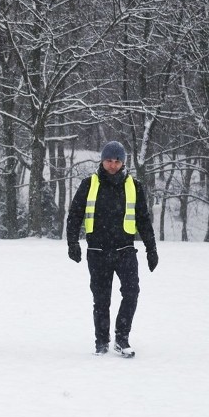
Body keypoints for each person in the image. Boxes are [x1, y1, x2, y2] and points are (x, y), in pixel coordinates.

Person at [66, 141, 158, 358]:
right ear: (102, 160)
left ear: (123, 162)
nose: (113, 165)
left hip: (125, 250)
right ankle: (101, 341)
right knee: (101, 298)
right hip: (97, 251)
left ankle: (122, 337)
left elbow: (143, 220)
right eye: (109, 160)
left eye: (117, 161)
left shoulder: (134, 186)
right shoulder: (89, 184)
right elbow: (75, 215)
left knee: (131, 293)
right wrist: (72, 243)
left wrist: (151, 249)